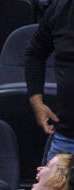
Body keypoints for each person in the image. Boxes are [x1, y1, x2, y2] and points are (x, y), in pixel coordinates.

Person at [26, 1, 74, 159]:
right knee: (48, 183)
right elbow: (34, 53)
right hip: (67, 137)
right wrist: (36, 101)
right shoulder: (61, 9)